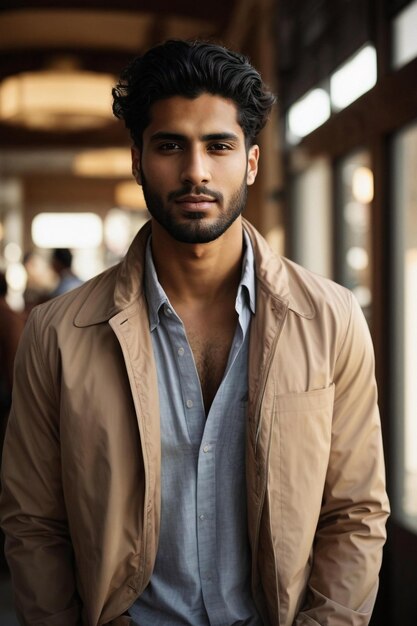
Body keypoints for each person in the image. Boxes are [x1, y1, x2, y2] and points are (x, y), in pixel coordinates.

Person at [0, 40, 389, 626]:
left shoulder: (331, 320)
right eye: (170, 145)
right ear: (137, 159)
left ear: (251, 162)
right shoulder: (57, 333)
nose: (195, 171)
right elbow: (33, 520)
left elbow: (355, 512)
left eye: (219, 145)